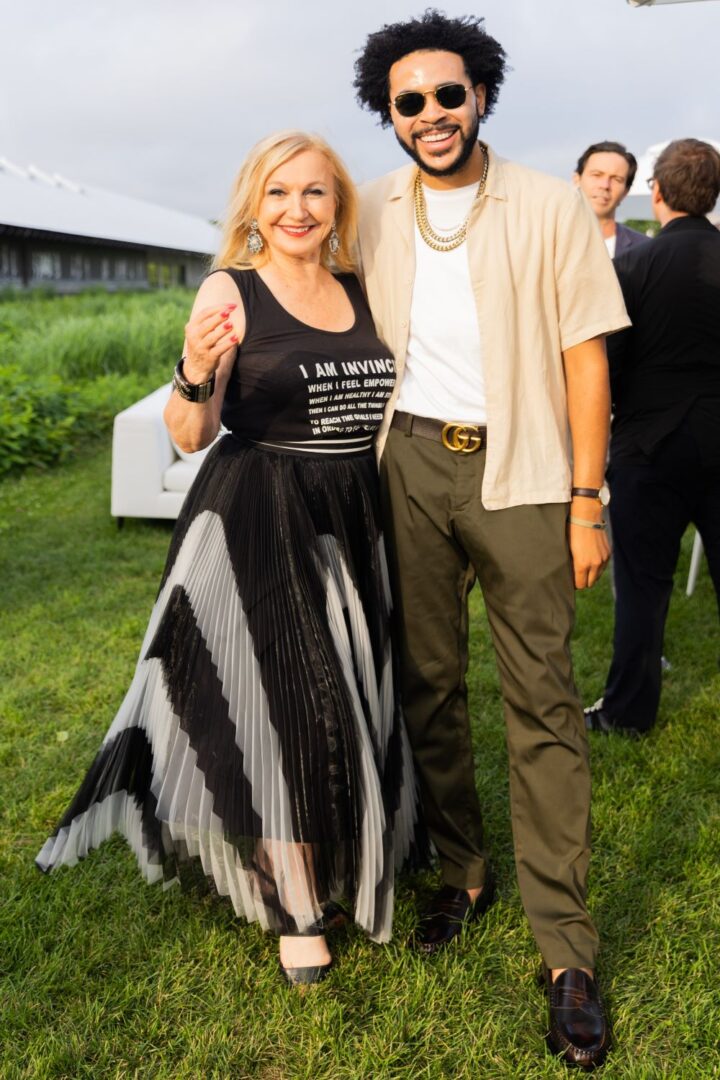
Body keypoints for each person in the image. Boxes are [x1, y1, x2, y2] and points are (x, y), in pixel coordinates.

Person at [36, 130, 427, 986]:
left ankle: (326, 845)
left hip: (354, 508)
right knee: (292, 694)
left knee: (353, 686)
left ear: (338, 206)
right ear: (254, 204)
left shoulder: (362, 286)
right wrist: (191, 370)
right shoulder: (231, 288)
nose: (298, 209)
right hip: (260, 507)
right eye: (279, 192)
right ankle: (292, 898)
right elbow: (191, 431)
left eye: (316, 193)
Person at [353, 11, 629, 1069]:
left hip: (519, 470)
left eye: (449, 94)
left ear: (482, 97)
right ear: (390, 111)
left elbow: (586, 361)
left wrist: (587, 496)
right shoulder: (370, 208)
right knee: (428, 682)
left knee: (544, 700)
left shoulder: (553, 205)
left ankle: (566, 949)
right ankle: (463, 871)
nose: (431, 113)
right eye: (409, 100)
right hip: (406, 466)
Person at [584, 138, 720, 737]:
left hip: (648, 451)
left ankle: (627, 714)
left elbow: (605, 367)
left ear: (656, 193)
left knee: (642, 588)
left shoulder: (630, 268)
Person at [573, 141, 650, 259]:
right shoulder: (549, 238)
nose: (605, 185)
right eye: (596, 175)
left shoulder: (645, 249)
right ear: (577, 180)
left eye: (616, 179)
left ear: (626, 192)